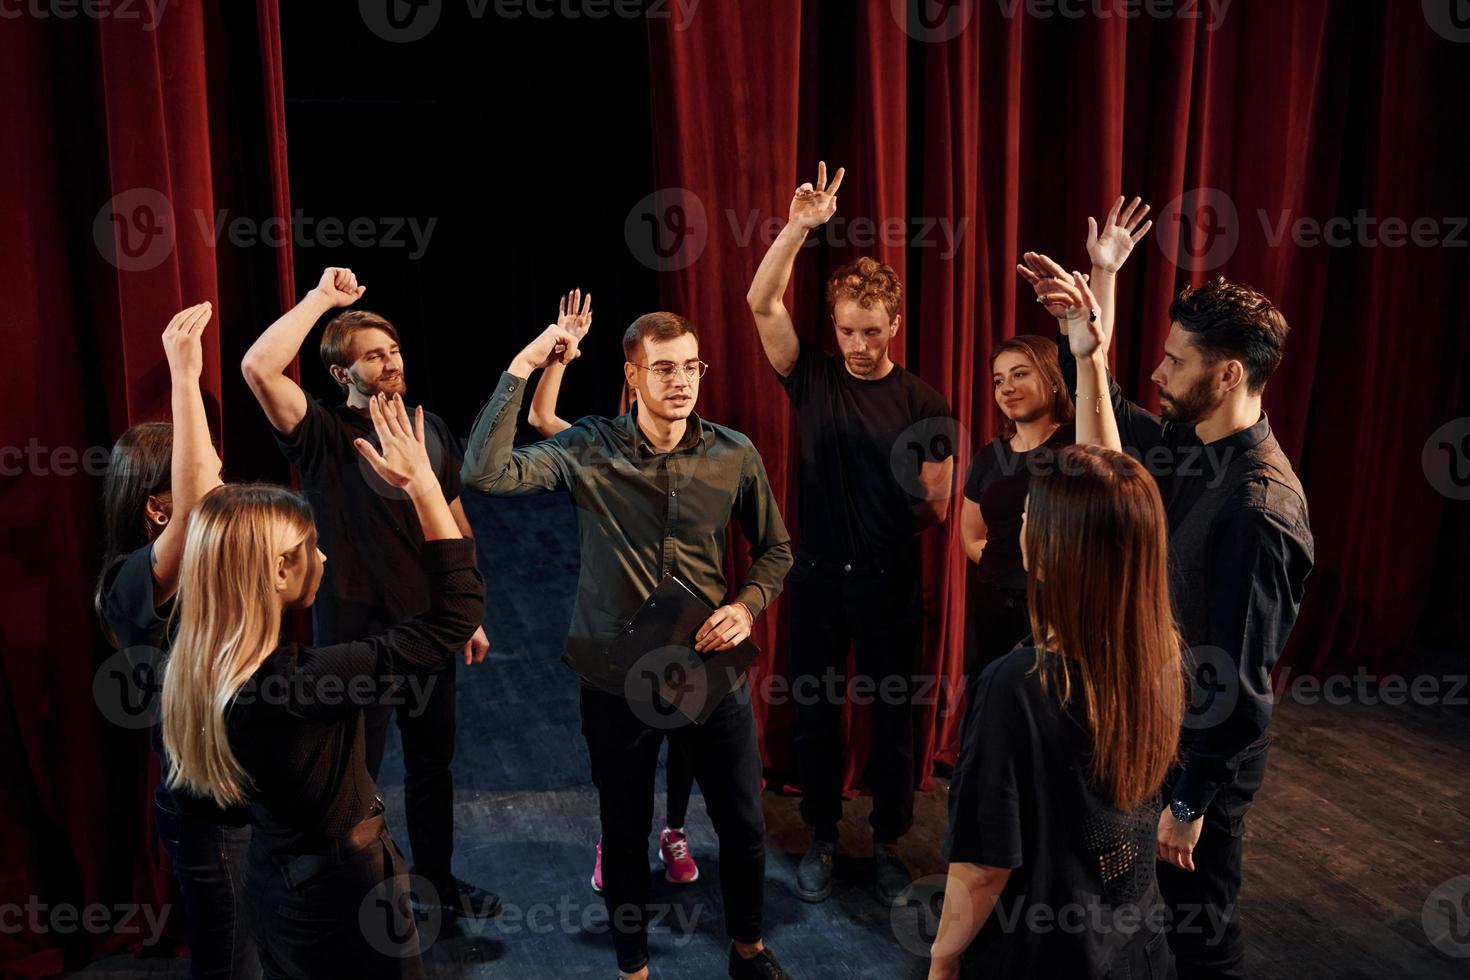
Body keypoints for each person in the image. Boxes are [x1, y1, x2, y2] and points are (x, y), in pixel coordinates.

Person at [1025, 197, 1314, 979]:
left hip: (1202, 771)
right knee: (1147, 924)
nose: (1159, 371)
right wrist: (1093, 308)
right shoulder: (1193, 440)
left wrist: (1190, 805)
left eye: (1175, 361)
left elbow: (1240, 686)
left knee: (1201, 936)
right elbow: (1111, 415)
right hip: (1159, 736)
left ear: (1227, 374)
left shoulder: (1260, 510)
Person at [461, 310, 795, 980]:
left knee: (744, 826)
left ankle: (749, 952)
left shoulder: (734, 452)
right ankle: (633, 969)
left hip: (706, 667)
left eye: (691, 366)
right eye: (665, 367)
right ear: (633, 374)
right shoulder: (589, 447)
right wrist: (524, 366)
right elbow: (486, 473)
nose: (681, 381)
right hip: (617, 675)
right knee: (623, 833)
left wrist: (745, 606)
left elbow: (776, 550)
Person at [162, 393, 485, 980]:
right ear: (277, 570)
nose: (325, 555)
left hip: (279, 882)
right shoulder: (298, 685)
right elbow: (455, 616)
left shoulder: (199, 667)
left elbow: (220, 811)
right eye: (310, 547)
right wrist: (423, 487)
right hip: (345, 894)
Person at [240, 268, 498, 918]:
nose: (390, 362)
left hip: (432, 629)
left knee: (432, 767)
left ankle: (435, 884)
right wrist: (323, 299)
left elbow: (456, 516)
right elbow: (260, 368)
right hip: (359, 643)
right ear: (340, 373)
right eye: (373, 355)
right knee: (355, 780)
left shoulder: (428, 426)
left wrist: (470, 611)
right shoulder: (324, 434)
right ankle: (355, 894)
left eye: (395, 350)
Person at [746, 162, 953, 907]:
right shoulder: (812, 377)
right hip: (815, 581)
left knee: (893, 716)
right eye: (845, 330)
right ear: (832, 327)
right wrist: (800, 227)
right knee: (816, 712)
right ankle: (825, 835)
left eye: (871, 331)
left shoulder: (924, 399)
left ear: (894, 325)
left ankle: (892, 835)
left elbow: (936, 503)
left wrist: (883, 528)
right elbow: (760, 299)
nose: (858, 343)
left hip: (892, 583)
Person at [929, 442, 1183, 978]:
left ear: (1050, 550)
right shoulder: (1161, 658)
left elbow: (982, 869)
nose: (1019, 521)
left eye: (1025, 515)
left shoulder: (1017, 687)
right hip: (1134, 945)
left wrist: (942, 959)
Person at [94, 303, 259, 979]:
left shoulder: (207, 569)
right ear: (157, 509)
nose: (222, 485)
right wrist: (184, 377)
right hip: (209, 818)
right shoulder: (126, 585)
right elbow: (196, 511)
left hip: (254, 794)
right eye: (207, 474)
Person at [525, 290, 702, 893]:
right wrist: (560, 356)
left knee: (683, 739)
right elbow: (540, 421)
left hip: (683, 624)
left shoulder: (699, 449)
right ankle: (614, 835)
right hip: (619, 628)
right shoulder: (599, 450)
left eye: (683, 371)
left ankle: (674, 830)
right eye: (653, 376)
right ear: (631, 387)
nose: (670, 386)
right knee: (620, 755)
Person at [959, 335, 1073, 715]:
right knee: (986, 707)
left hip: (1054, 606)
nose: (1006, 387)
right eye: (998, 379)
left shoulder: (1074, 448)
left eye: (1019, 374)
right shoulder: (990, 456)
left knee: (1044, 713)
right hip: (992, 605)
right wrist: (1007, 565)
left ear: (1053, 379)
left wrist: (1039, 571)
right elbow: (971, 537)